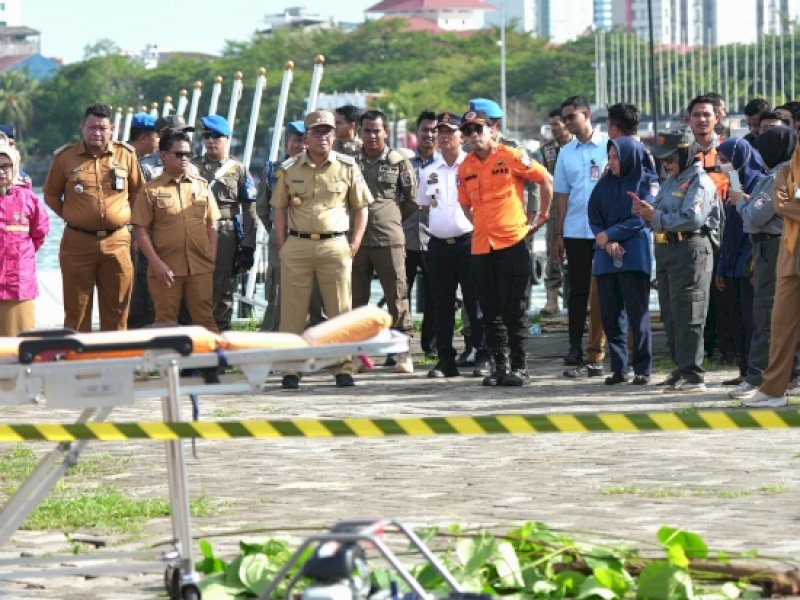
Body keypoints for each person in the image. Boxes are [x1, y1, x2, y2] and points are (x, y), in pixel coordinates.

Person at [271, 109, 371, 389]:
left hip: (335, 244)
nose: (322, 136)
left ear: (334, 134)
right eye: (316, 131)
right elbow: (278, 208)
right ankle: (291, 369)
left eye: (327, 130)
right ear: (306, 135)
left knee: (339, 308)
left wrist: (354, 243)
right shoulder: (290, 168)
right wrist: (283, 245)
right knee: (292, 311)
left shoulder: (348, 166)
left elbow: (361, 207)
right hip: (298, 244)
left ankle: (342, 366)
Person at [458, 109, 552, 386]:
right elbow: (464, 202)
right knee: (489, 310)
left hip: (511, 241)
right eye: (467, 131)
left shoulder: (510, 155)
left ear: (491, 129)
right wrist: (476, 223)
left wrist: (542, 216)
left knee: (514, 308)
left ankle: (520, 366)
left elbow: (545, 179)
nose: (473, 136)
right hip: (481, 245)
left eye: (478, 129)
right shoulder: (466, 167)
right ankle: (500, 365)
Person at [43, 102, 143, 331]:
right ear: (82, 127)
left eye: (102, 128)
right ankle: (79, 364)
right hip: (77, 243)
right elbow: (50, 196)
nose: (96, 133)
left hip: (117, 241)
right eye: (91, 127)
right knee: (77, 311)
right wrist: (74, 215)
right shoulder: (65, 157)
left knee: (117, 310)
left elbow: (138, 193)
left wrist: (125, 219)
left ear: (112, 129)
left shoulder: (126, 155)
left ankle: (116, 362)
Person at [634, 129, 720, 393]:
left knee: (689, 312)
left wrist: (655, 216)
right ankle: (681, 367)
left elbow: (691, 219)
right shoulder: (672, 180)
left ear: (685, 154)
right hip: (667, 249)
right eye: (663, 160)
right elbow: (660, 212)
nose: (666, 164)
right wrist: (644, 213)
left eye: (670, 158)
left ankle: (694, 374)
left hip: (690, 249)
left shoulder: (700, 182)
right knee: (671, 313)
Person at [729, 126, 800, 400]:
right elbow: (774, 207)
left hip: (776, 247)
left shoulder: (779, 174)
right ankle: (775, 383)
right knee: (777, 319)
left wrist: (741, 204)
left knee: (769, 316)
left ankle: (764, 381)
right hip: (780, 249)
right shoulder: (781, 173)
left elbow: (759, 215)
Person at [419, 111, 488, 378]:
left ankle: (482, 355)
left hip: (468, 241)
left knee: (476, 302)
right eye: (441, 132)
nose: (445, 137)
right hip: (438, 245)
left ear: (462, 136)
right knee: (441, 304)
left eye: (451, 132)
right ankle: (445, 359)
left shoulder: (471, 166)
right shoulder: (429, 171)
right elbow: (424, 207)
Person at [131, 130, 220, 332]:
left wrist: (211, 257)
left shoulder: (201, 185)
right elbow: (140, 230)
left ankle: (213, 364)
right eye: (179, 154)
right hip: (166, 269)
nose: (184, 159)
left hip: (199, 267)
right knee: (166, 324)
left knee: (205, 321)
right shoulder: (150, 190)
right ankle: (169, 365)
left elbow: (212, 223)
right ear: (163, 155)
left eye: (188, 154)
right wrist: (156, 263)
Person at [354, 109, 417, 374]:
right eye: (367, 130)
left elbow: (412, 200)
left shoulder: (398, 161)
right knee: (356, 301)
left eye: (376, 130)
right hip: (356, 239)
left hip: (389, 238)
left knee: (397, 296)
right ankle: (358, 355)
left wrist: (389, 217)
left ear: (386, 132)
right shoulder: (350, 162)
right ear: (360, 132)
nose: (371, 136)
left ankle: (402, 352)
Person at [589, 137, 656, 385]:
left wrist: (612, 234)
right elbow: (593, 214)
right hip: (606, 256)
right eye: (610, 157)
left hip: (634, 256)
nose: (612, 162)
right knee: (610, 315)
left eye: (616, 157)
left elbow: (641, 218)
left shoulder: (646, 182)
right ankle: (619, 368)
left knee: (637, 316)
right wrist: (605, 241)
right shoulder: (604, 184)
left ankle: (642, 368)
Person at [552, 95, 608, 377]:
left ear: (586, 115)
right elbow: (561, 194)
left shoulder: (608, 146)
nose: (566, 122)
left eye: (571, 116)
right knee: (577, 291)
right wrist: (559, 232)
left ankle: (607, 345)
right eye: (564, 118)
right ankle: (575, 345)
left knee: (607, 289)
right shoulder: (566, 152)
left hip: (604, 231)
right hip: (575, 229)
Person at [193, 115, 258, 332]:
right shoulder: (193, 167)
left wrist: (248, 246)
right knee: (195, 285)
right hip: (197, 232)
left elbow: (250, 210)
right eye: (207, 136)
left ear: (228, 138)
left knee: (223, 288)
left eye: (217, 137)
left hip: (226, 234)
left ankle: (222, 341)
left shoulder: (238, 169)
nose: (211, 141)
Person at [715, 137, 769, 387]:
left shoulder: (760, 183)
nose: (722, 165)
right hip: (732, 263)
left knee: (752, 320)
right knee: (736, 319)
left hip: (750, 262)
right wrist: (722, 268)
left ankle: (757, 371)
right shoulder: (733, 186)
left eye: (726, 161)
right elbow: (729, 230)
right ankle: (744, 369)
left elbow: (754, 223)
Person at [0, 141, 49, 336]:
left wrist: (19, 255)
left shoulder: (28, 199)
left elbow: (40, 234)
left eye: (5, 166)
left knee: (19, 343)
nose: (1, 171)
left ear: (15, 167)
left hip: (18, 283)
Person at [405, 110, 437, 360]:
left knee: (435, 295)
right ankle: (398, 347)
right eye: (425, 129)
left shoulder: (445, 165)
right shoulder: (404, 163)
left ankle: (432, 345)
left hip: (433, 237)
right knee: (399, 296)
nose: (429, 134)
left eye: (434, 130)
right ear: (417, 133)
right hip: (404, 238)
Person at [536, 109, 572, 315]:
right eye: (551, 126)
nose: (554, 129)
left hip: (576, 205)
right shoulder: (547, 149)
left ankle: (583, 297)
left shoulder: (577, 146)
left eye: (557, 124)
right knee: (553, 252)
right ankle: (552, 296)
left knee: (578, 251)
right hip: (554, 206)